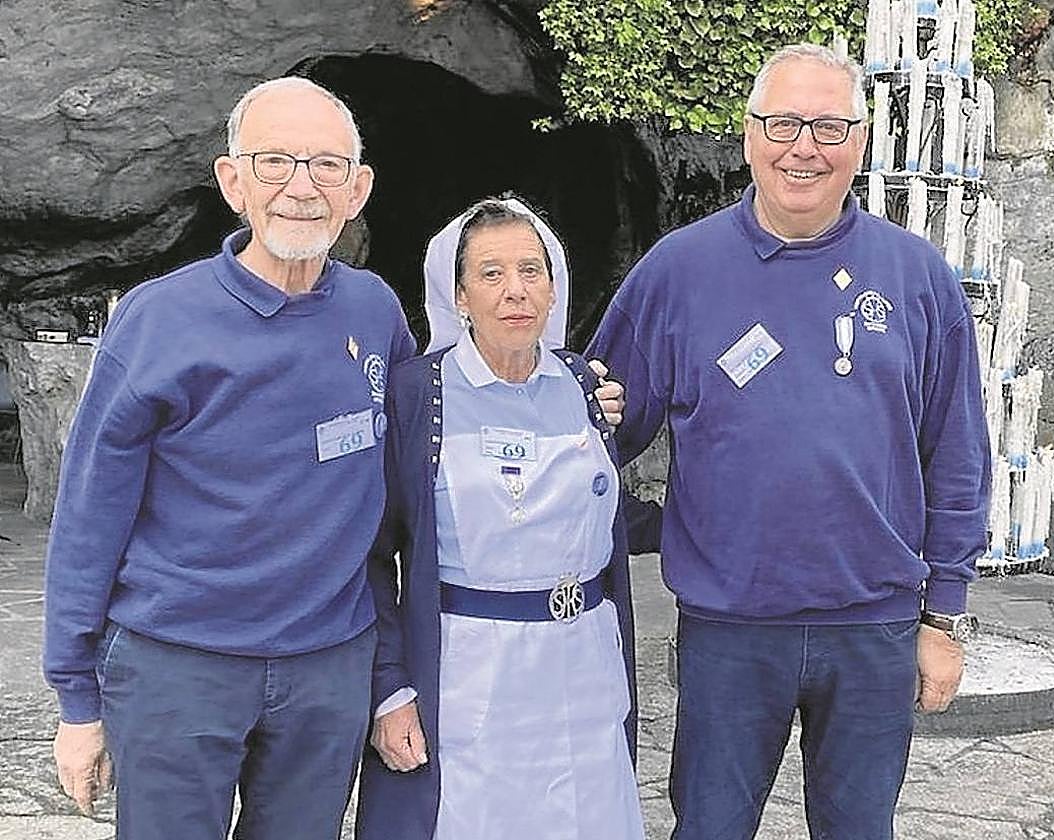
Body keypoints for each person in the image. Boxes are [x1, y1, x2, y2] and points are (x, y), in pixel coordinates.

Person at [40, 79, 625, 838]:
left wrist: (579, 397)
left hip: (327, 670)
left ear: (358, 189)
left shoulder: (373, 311)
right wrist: (76, 699)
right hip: (181, 667)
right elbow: (88, 515)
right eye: (276, 161)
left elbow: (429, 443)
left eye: (325, 166)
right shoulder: (159, 320)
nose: (301, 188)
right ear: (232, 181)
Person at [587, 44, 991, 840]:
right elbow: (600, 429)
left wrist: (943, 618)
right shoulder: (679, 270)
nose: (803, 146)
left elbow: (958, 455)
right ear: (748, 136)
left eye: (828, 126)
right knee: (707, 828)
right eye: (783, 124)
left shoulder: (917, 276)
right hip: (730, 630)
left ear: (862, 143)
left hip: (873, 629)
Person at [355, 198, 644, 840]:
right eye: (490, 274)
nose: (515, 291)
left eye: (531, 270)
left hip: (583, 667)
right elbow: (371, 557)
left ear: (553, 284)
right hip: (471, 677)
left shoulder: (585, 386)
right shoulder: (415, 395)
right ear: (458, 294)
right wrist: (390, 689)